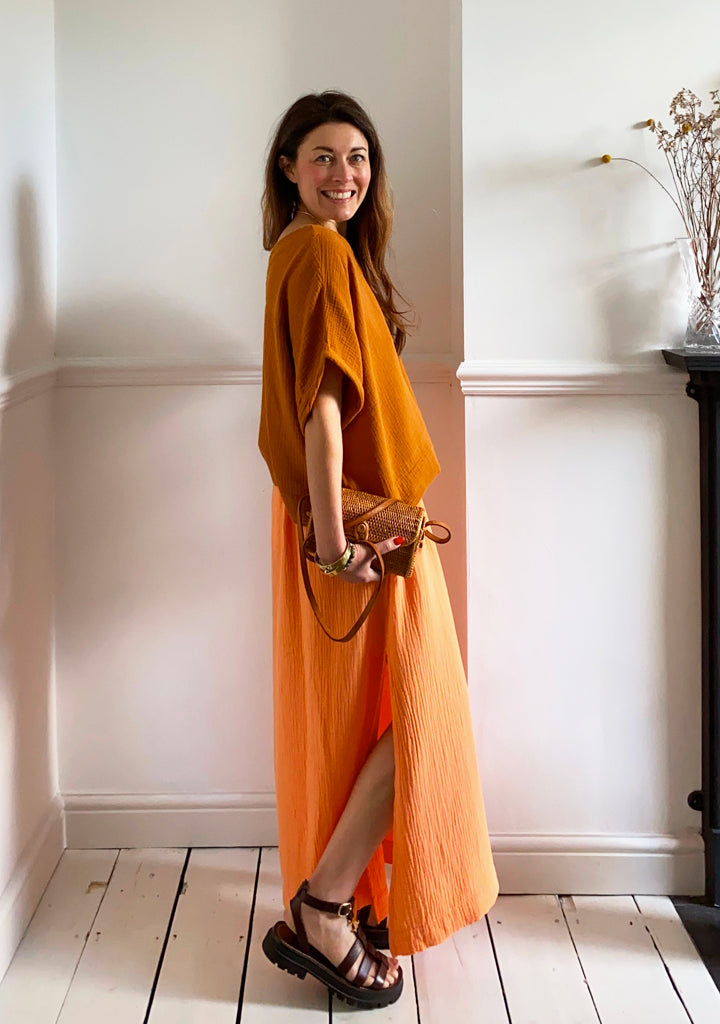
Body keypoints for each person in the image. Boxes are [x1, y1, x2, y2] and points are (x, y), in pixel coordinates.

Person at [257, 91, 499, 1010]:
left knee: (372, 716)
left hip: (347, 519)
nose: (344, 174)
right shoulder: (318, 252)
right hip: (358, 528)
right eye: (323, 156)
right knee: (422, 709)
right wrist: (332, 545)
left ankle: (330, 900)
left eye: (357, 157)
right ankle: (323, 905)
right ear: (288, 166)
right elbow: (320, 414)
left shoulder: (303, 251)